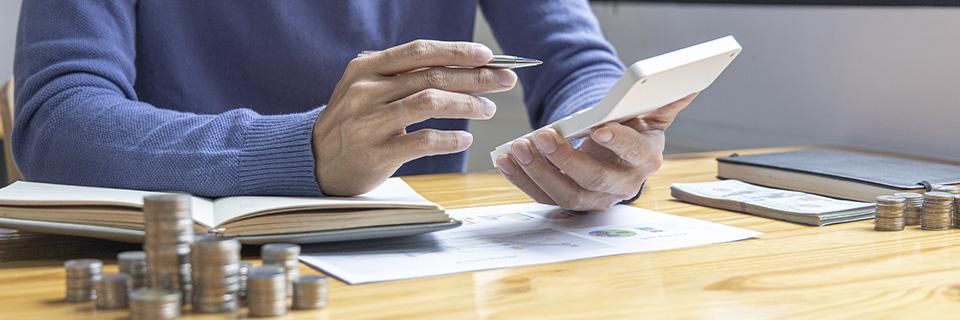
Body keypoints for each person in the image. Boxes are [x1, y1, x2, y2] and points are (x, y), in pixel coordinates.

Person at [13, 1, 695, 211]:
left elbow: (578, 63)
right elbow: (55, 120)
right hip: (179, 271)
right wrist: (303, 151)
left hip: (420, 270)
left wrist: (603, 138)